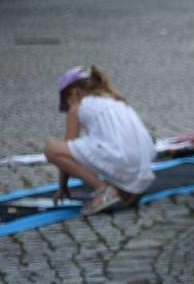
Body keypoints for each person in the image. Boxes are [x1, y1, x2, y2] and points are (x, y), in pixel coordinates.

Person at [45, 66, 155, 216]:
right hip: (143, 179)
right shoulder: (115, 100)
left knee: (51, 148)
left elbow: (66, 150)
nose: (69, 105)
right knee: (89, 148)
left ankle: (103, 191)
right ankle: (118, 191)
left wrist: (62, 187)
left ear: (75, 93)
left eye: (68, 101)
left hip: (124, 162)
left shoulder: (77, 106)